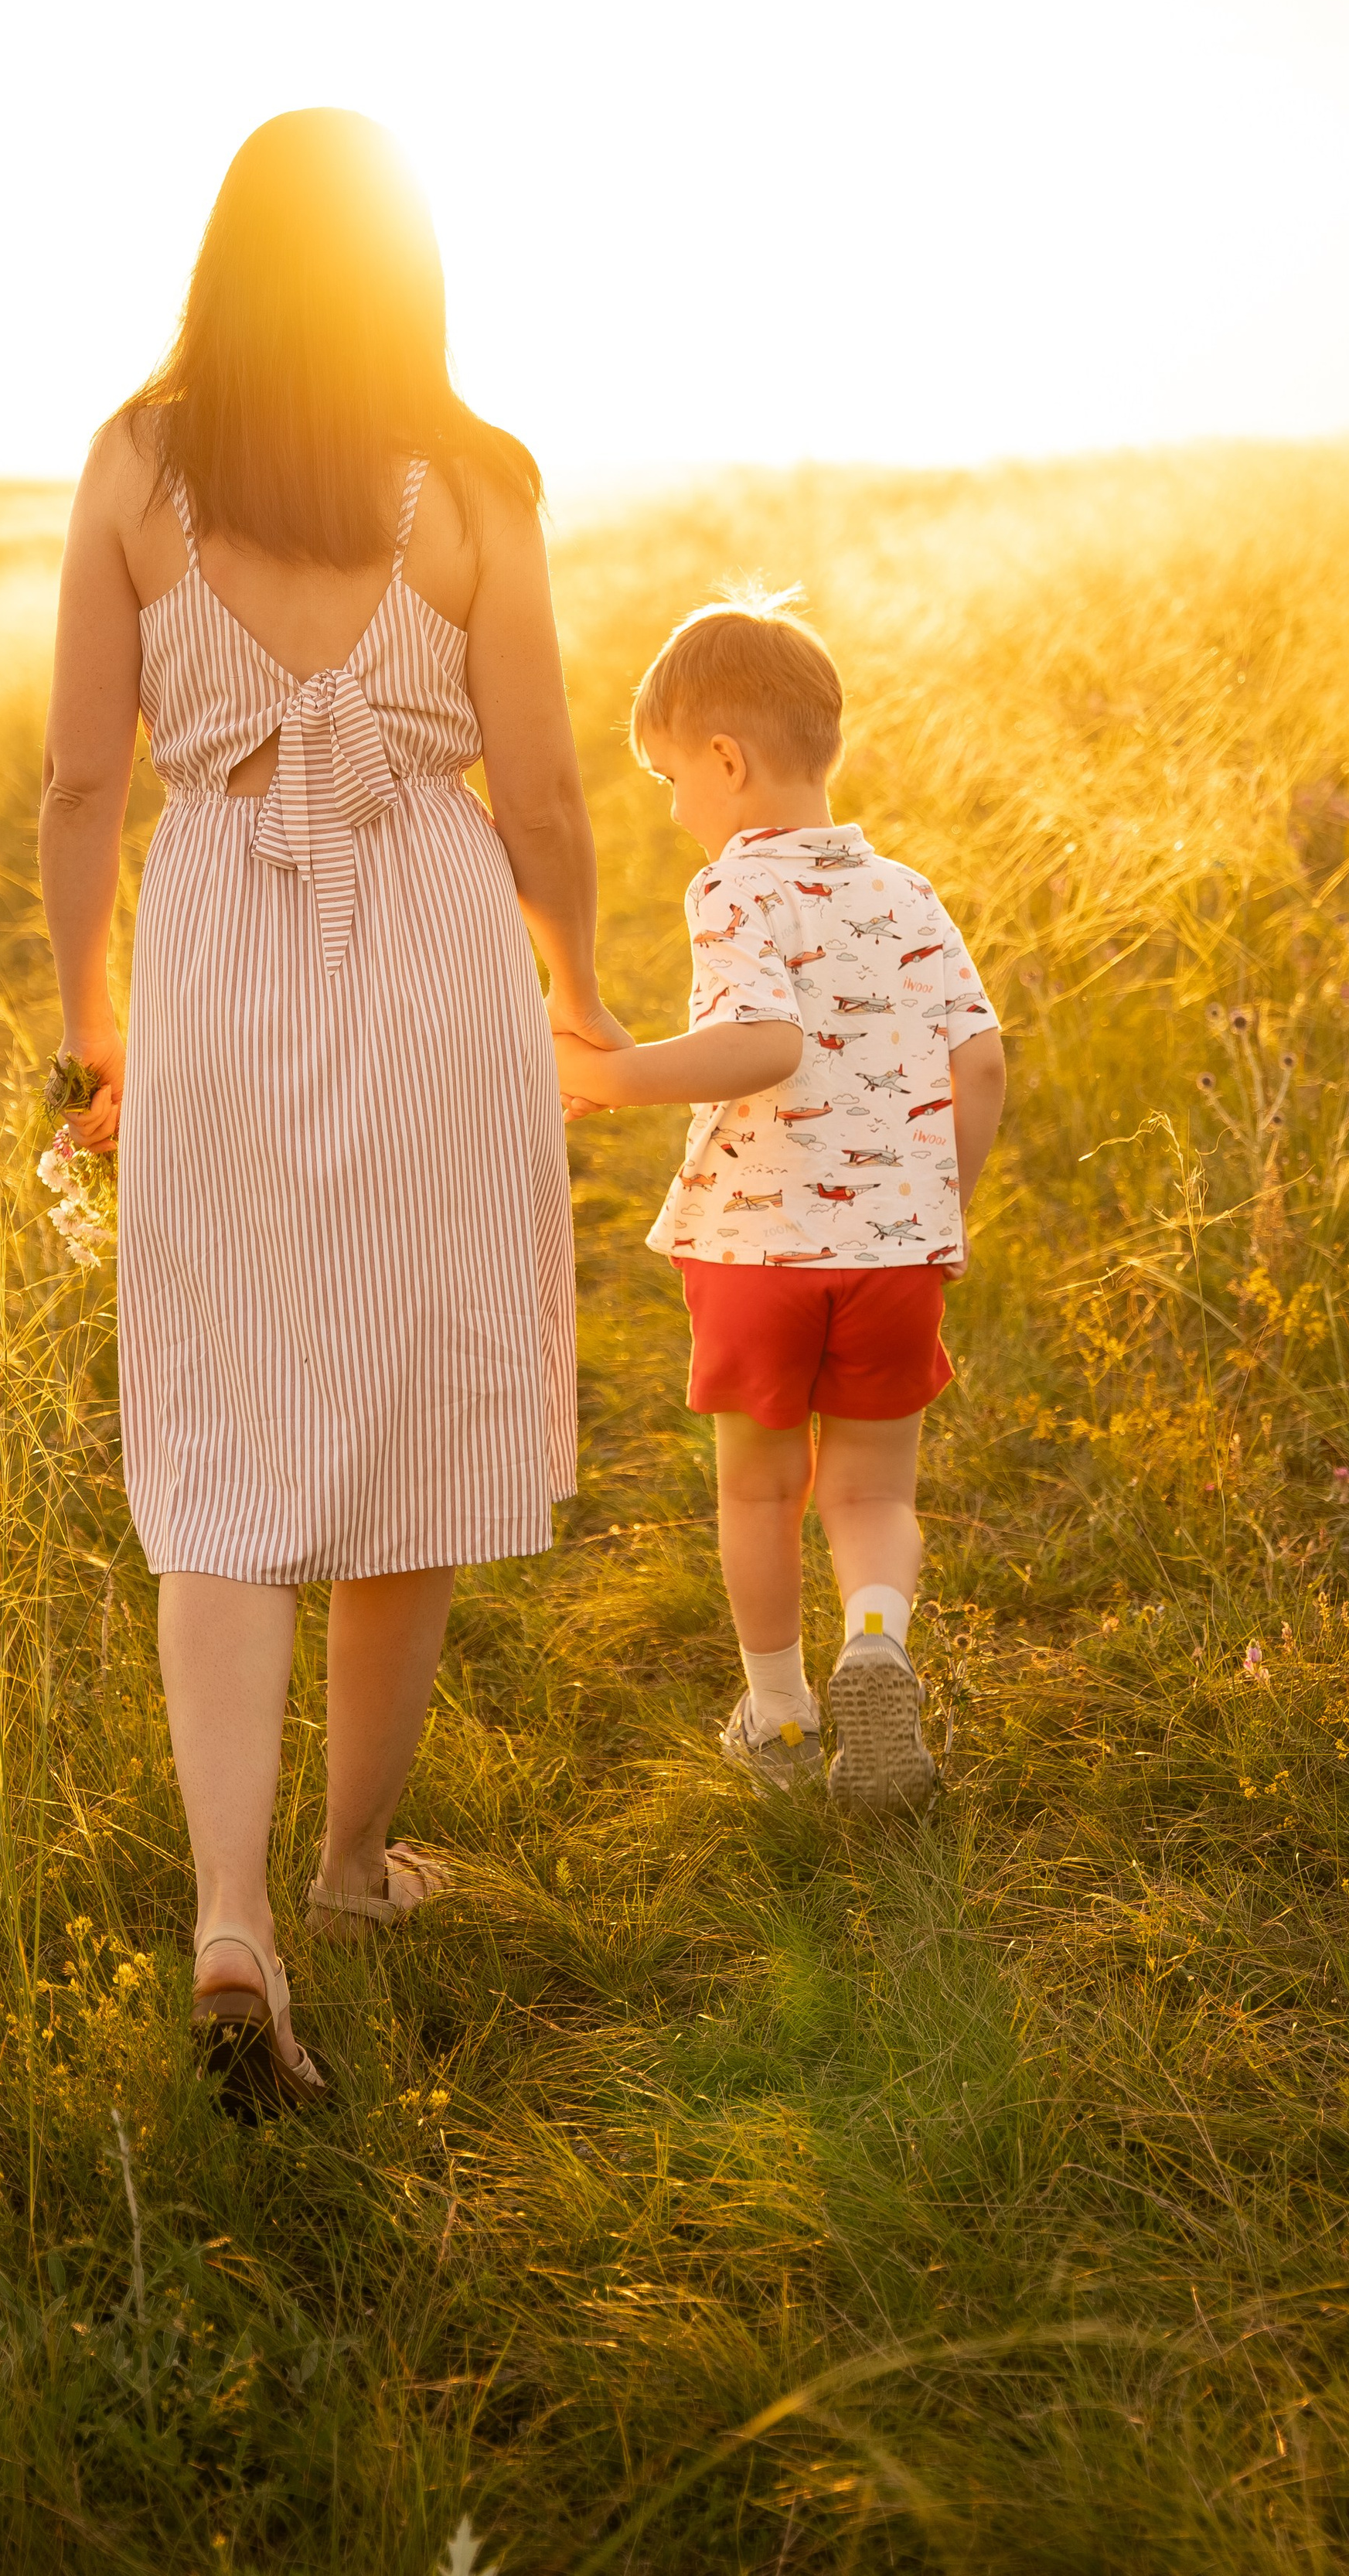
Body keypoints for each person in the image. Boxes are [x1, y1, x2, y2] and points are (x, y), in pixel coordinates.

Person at [39, 110, 625, 2111]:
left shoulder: (135, 465)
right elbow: (543, 794)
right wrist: (579, 991)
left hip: (215, 952)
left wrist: (92, 1032)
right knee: (408, 1397)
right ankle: (351, 1868)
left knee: (221, 1435)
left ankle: (233, 1919)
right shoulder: (474, 481)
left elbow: (79, 785)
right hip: (434, 955)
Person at [552, 593, 1005, 1810]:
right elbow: (981, 1066)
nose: (673, 810)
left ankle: (784, 1718)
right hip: (894, 1255)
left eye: (669, 780)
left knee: (759, 1486)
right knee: (874, 1488)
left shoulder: (736, 888)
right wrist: (933, 1212)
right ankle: (877, 1642)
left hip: (758, 1253)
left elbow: (762, 1041)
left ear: (727, 761)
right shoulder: (908, 893)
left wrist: (602, 1077)